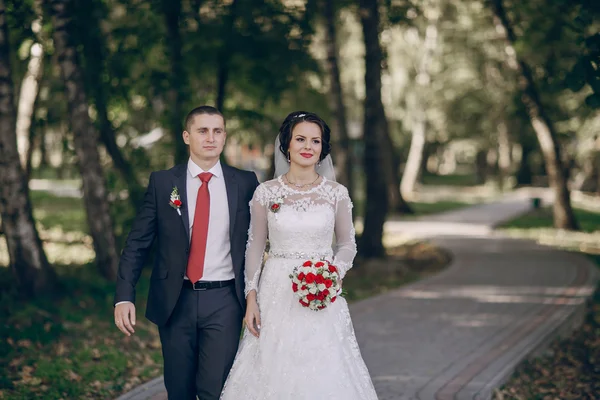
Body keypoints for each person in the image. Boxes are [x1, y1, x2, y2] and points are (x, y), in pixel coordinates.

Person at [220, 111, 378, 399]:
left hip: (321, 291)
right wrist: (251, 296)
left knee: (323, 364)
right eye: (301, 139)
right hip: (275, 290)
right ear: (287, 145)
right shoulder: (265, 193)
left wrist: (331, 273)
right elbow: (255, 246)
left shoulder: (336, 193)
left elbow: (347, 245)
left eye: (315, 141)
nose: (308, 146)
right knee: (271, 363)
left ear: (322, 148)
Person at [113, 106, 259, 400]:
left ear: (225, 136)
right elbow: (138, 243)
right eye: (202, 131)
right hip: (175, 299)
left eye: (218, 131)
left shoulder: (245, 184)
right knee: (179, 390)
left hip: (225, 301)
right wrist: (124, 295)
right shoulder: (163, 183)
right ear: (186, 136)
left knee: (214, 390)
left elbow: (260, 242)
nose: (211, 138)